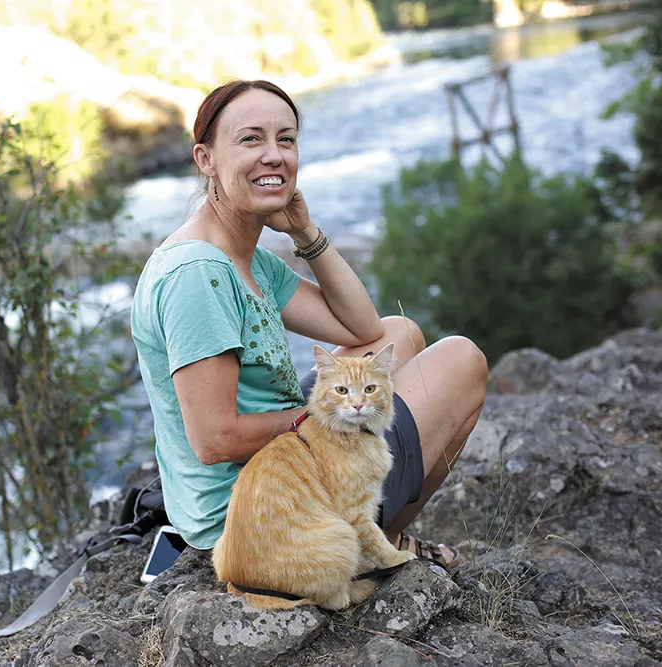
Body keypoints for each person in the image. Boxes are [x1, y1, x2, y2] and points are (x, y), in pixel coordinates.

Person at [129, 79, 488, 567]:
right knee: (463, 359)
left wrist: (304, 230)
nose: (274, 155)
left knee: (400, 334)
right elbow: (214, 440)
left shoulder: (246, 258)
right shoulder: (199, 275)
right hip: (256, 516)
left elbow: (362, 328)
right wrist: (325, 417)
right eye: (251, 139)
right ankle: (368, 546)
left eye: (287, 139)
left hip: (277, 475)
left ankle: (373, 534)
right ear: (205, 159)